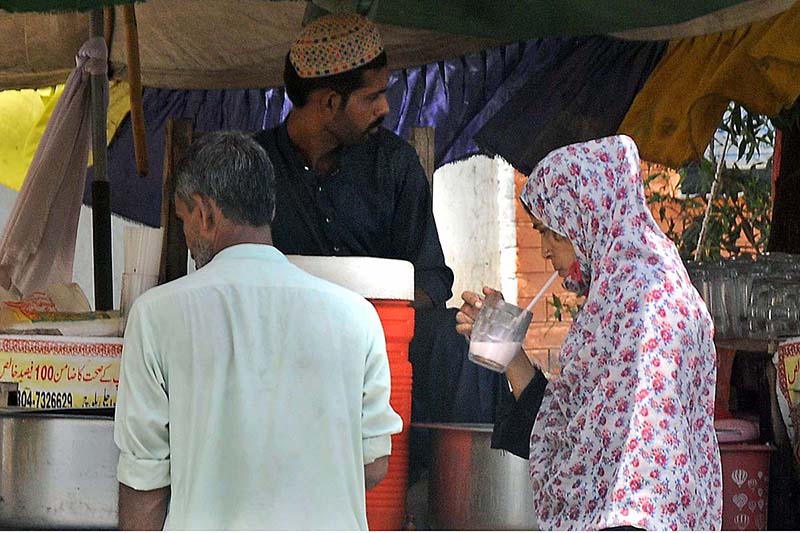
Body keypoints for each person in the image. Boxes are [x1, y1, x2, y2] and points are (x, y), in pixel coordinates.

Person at [113, 131, 402, 530]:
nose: (188, 234)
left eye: (183, 220)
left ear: (204, 213)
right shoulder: (357, 317)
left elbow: (145, 487)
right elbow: (374, 465)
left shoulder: (157, 316)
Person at [253, 13, 501, 470]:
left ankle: (446, 489)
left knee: (458, 341)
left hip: (385, 343)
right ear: (328, 102)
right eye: (373, 97)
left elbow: (429, 275)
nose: (385, 108)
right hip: (279, 343)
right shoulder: (255, 167)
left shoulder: (395, 163)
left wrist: (375, 324)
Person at [456, 135, 722, 530]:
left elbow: (629, 465)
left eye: (553, 231)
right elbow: (570, 431)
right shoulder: (618, 298)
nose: (545, 250)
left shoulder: (645, 304)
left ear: (590, 216)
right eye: (539, 231)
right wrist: (509, 353)